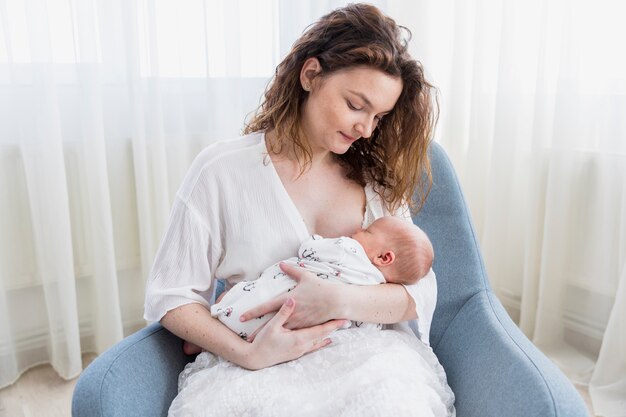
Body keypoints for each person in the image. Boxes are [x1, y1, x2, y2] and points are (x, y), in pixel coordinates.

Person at [144, 3, 455, 416]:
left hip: (367, 359)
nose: (366, 128)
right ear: (311, 75)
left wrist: (336, 300)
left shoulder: (373, 179)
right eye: (355, 104)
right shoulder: (221, 172)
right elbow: (171, 295)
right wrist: (247, 354)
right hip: (257, 362)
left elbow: (418, 292)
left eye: (378, 116)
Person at [184, 216, 433, 352]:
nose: (358, 229)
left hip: (275, 296)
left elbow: (309, 249)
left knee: (243, 298)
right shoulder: (375, 287)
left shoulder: (348, 251)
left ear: (384, 257)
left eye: (367, 231)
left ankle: (210, 328)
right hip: (294, 335)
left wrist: (317, 239)